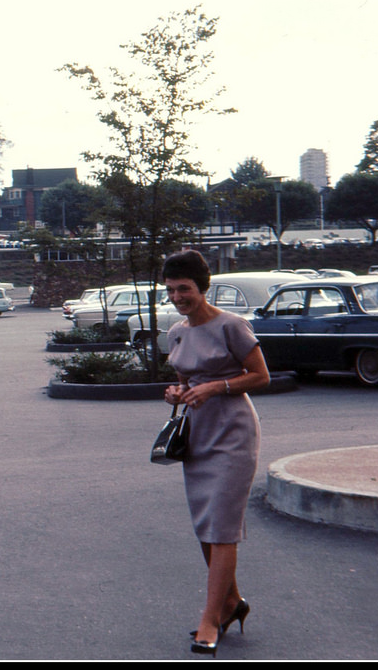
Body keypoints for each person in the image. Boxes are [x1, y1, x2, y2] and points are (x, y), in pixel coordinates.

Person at [161, 250, 271, 657]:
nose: (177, 297)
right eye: (171, 290)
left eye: (184, 289)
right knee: (207, 524)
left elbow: (261, 376)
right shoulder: (176, 333)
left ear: (202, 287)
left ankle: (209, 619)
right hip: (198, 434)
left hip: (234, 434)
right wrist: (177, 392)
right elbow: (185, 382)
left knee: (222, 526)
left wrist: (215, 387)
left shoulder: (232, 326)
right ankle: (231, 603)